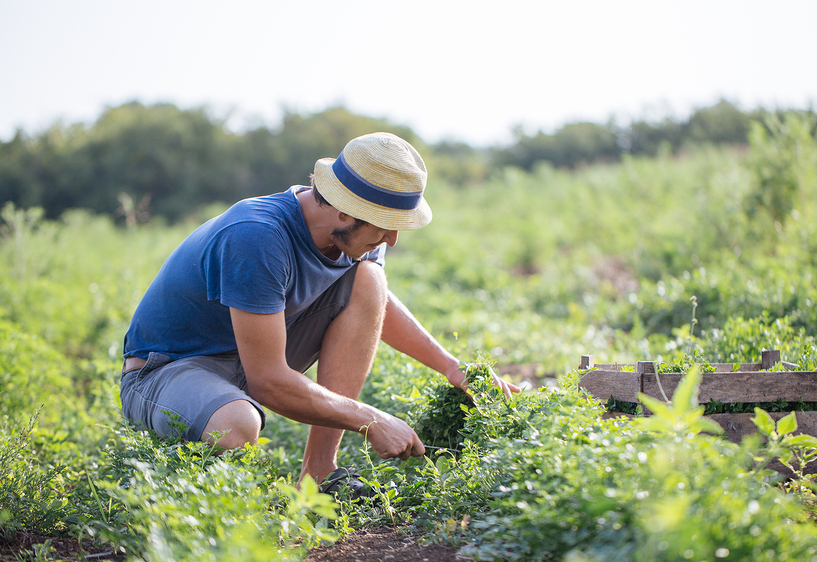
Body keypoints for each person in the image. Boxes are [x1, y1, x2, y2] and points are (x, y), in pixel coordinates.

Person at [120, 131, 519, 494]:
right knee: (236, 425)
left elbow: (375, 304)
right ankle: (198, 494)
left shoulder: (355, 235)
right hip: (166, 370)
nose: (393, 239)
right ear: (344, 212)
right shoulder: (256, 236)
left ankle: (319, 475)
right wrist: (371, 419)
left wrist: (452, 367)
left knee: (370, 280)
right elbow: (268, 381)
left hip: (249, 357)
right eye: (386, 225)